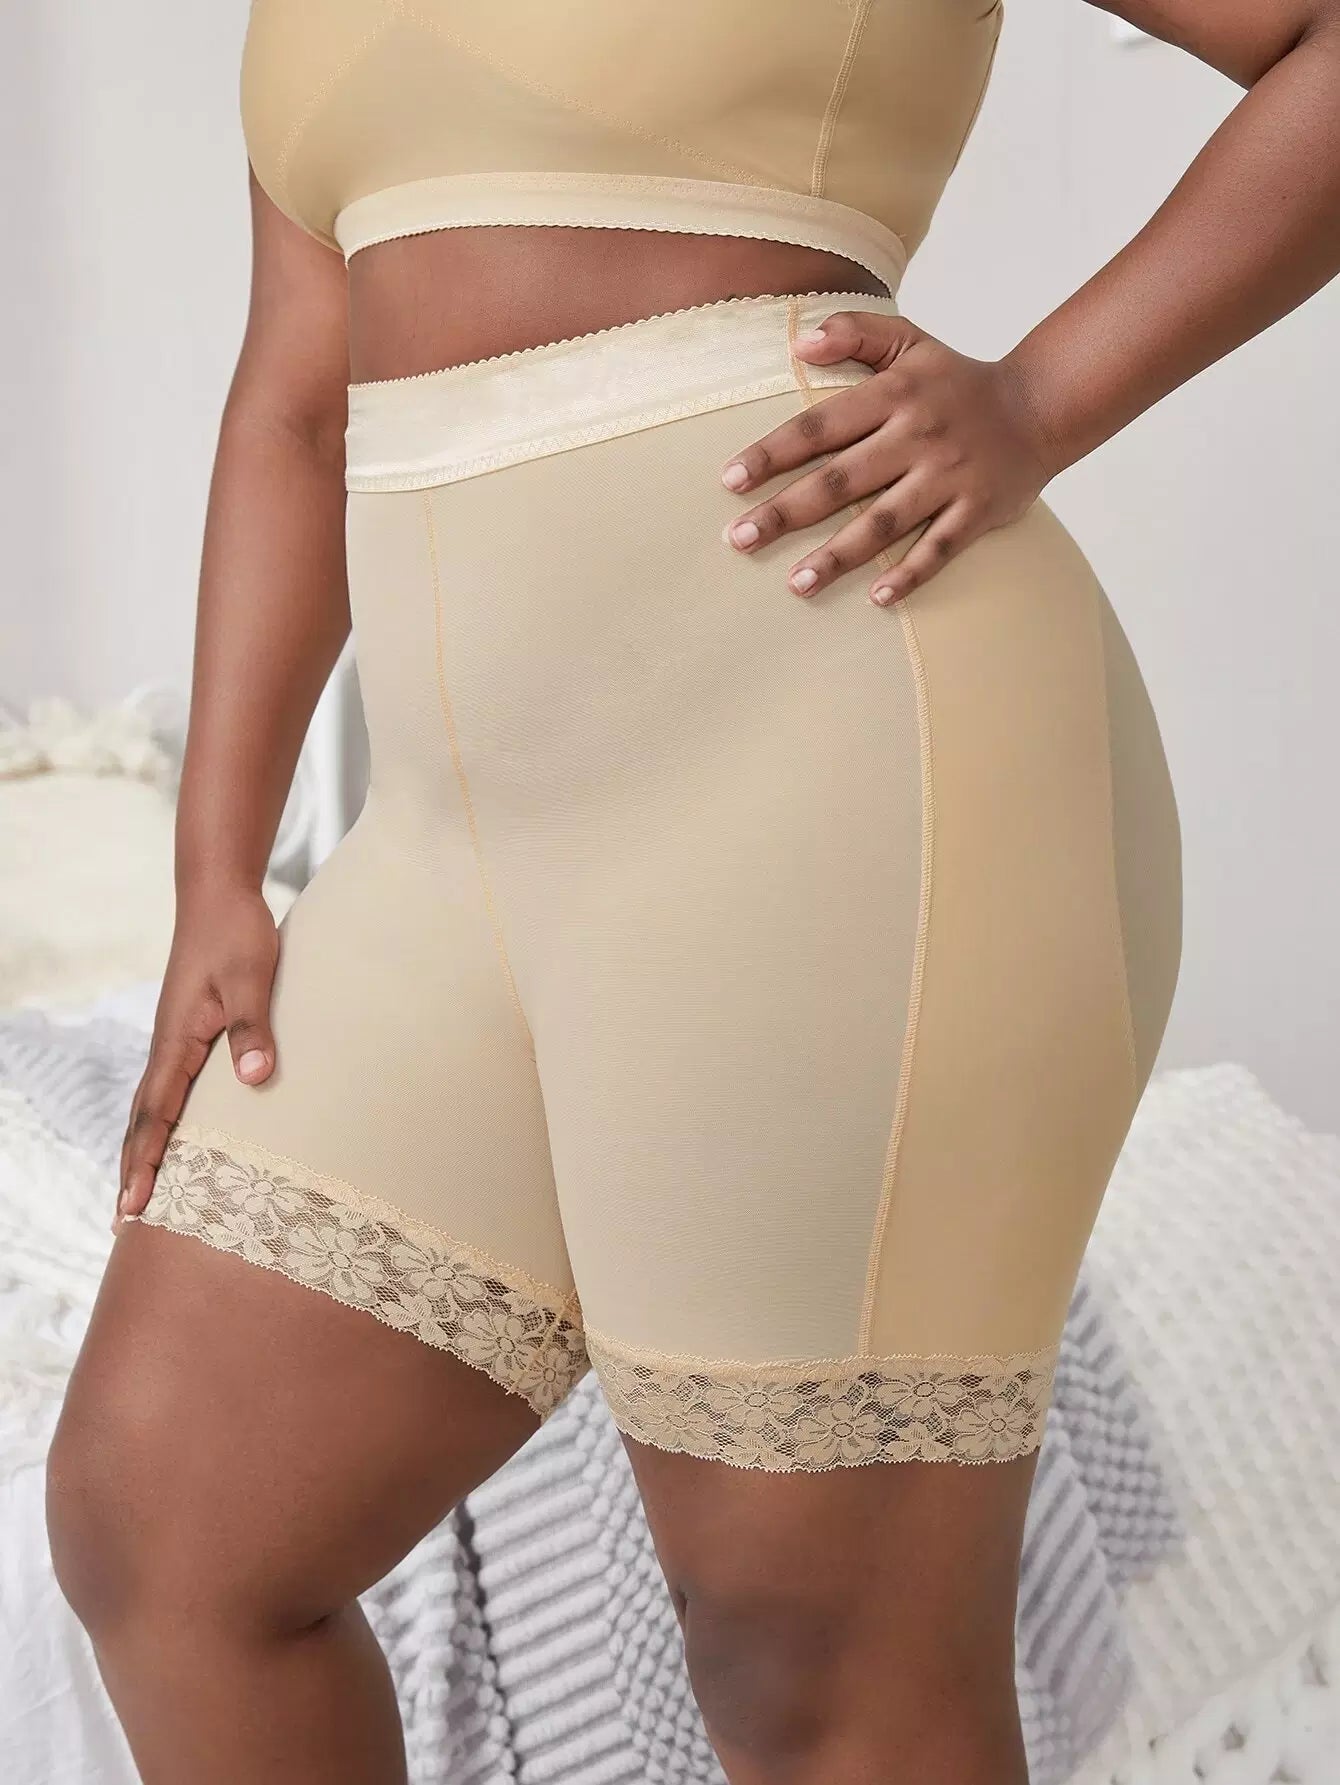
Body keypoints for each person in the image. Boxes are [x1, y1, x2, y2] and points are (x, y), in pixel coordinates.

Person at [45, 4, 1340, 1781]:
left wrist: (1036, 400)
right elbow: (295, 402)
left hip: (826, 743)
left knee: (818, 1667)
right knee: (168, 1525)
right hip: (453, 843)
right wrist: (216, 870)